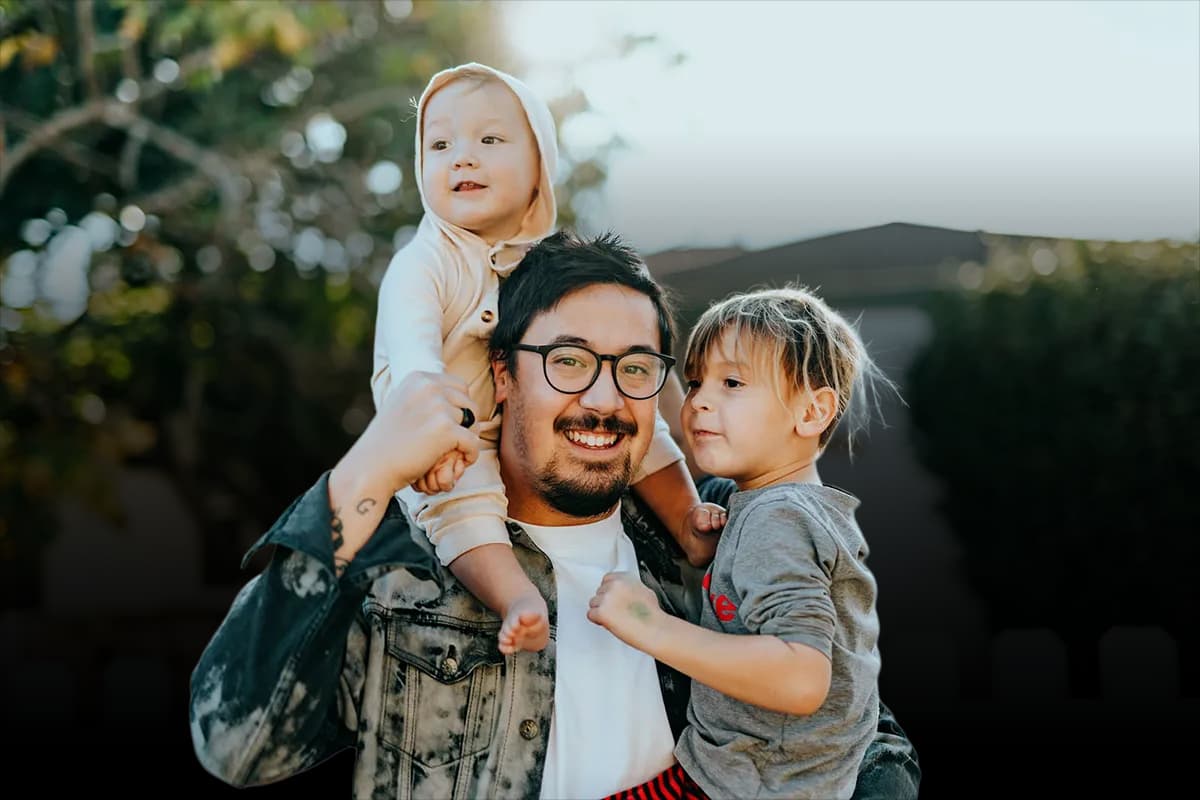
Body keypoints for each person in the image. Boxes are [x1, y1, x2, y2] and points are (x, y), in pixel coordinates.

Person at [189, 232, 920, 799]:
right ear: (502, 375)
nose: (604, 400)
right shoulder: (397, 563)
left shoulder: (710, 534)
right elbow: (237, 744)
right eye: (568, 360)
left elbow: (857, 723)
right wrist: (366, 470)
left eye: (635, 368)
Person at [371, 63, 722, 656]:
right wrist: (432, 441)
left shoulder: (548, 266)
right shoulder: (426, 261)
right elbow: (413, 359)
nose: (462, 157)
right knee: (463, 508)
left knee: (642, 424)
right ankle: (517, 598)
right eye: (439, 144)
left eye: (488, 140)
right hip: (444, 434)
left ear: (540, 166)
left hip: (504, 425)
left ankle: (688, 522)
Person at [589, 286, 897, 799]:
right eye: (694, 382)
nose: (700, 400)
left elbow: (801, 677)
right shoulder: (780, 509)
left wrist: (648, 625)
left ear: (812, 412)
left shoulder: (777, 518)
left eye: (732, 382)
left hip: (745, 784)